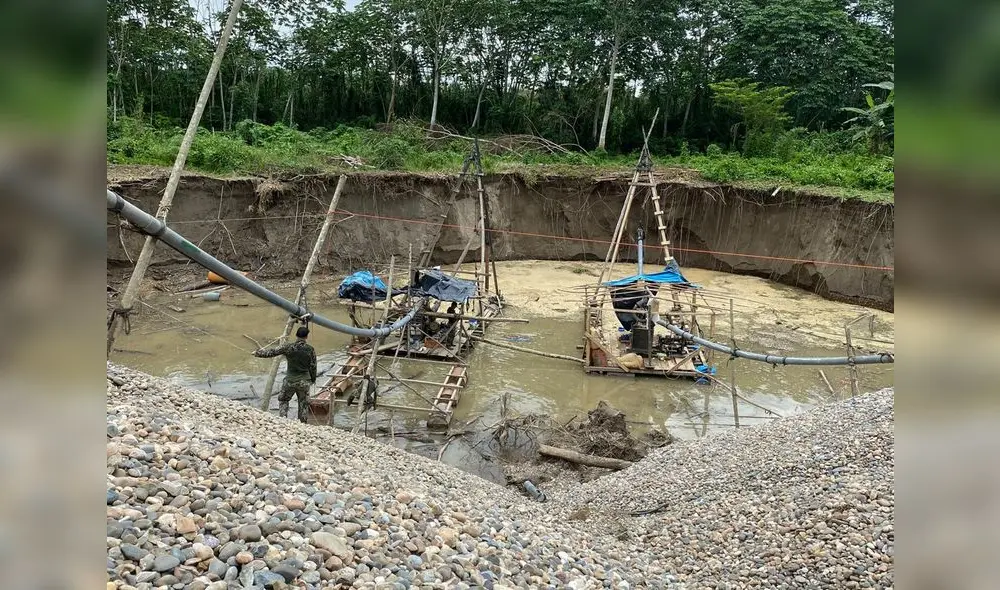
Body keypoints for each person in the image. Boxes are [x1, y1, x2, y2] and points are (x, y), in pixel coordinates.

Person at [253, 325, 317, 423]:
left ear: (296, 335)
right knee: (303, 403)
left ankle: (283, 420)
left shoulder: (288, 347)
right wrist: (313, 379)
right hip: (304, 382)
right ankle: (303, 424)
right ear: (306, 337)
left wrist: (257, 353)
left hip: (290, 380)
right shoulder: (310, 349)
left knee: (283, 400)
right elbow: (313, 366)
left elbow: (272, 352)